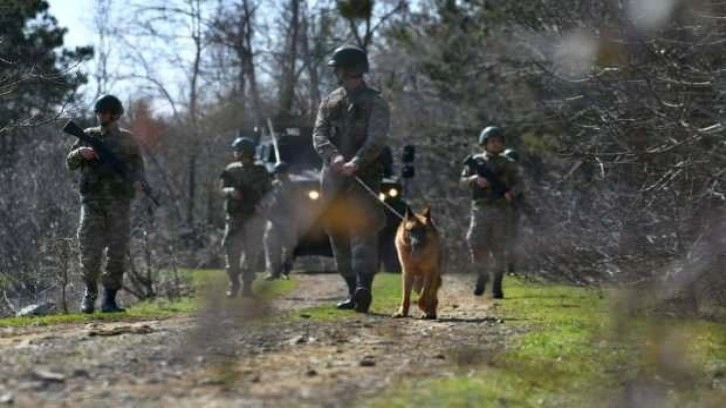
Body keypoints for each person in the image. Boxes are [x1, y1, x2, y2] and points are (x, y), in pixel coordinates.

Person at [312, 45, 390, 313]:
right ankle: (350, 290)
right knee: (337, 232)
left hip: (363, 176)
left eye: (338, 68)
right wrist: (334, 158)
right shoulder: (330, 101)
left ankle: (363, 287)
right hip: (333, 178)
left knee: (363, 230)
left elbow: (377, 139)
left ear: (347, 69)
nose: (336, 72)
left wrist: (357, 161)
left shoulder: (375, 102)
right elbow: (319, 135)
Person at [66, 94, 144, 313]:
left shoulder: (128, 140)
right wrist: (80, 152)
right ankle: (89, 294)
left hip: (120, 204)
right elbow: (70, 163)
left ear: (115, 115)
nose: (101, 116)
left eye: (106, 112)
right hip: (92, 203)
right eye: (99, 112)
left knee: (117, 253)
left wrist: (139, 182)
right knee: (89, 251)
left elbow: (138, 167)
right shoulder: (88, 136)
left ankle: (109, 299)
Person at [460, 126, 521, 299]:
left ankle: (497, 284)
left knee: (499, 248)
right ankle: (482, 273)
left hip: (501, 209)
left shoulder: (508, 163)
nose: (495, 144)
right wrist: (475, 180)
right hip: (480, 208)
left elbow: (520, 184)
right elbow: (462, 181)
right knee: (475, 242)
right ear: (484, 143)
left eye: (498, 142)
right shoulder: (476, 161)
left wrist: (511, 193)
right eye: (492, 141)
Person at [219, 136, 272, 297]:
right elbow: (221, 189)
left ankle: (247, 286)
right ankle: (233, 283)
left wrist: (263, 204)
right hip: (235, 217)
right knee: (232, 252)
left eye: (237, 150)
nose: (235, 153)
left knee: (252, 253)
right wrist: (231, 192)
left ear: (244, 152)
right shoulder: (231, 170)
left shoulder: (261, 171)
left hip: (254, 217)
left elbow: (270, 193)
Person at [262, 161, 297, 281]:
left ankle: (285, 271)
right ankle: (273, 272)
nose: (278, 175)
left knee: (288, 248)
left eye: (280, 173)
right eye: (277, 173)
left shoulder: (292, 186)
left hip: (287, 219)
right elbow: (266, 200)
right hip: (272, 218)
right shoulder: (273, 185)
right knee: (272, 246)